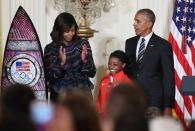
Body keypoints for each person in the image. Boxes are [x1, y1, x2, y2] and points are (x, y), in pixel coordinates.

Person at [125, 8, 175, 117]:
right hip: (133, 102)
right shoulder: (130, 43)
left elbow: (169, 78)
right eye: (135, 21)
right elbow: (127, 71)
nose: (134, 24)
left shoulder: (163, 46)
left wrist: (168, 107)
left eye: (138, 21)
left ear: (149, 24)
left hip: (154, 104)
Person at [44, 12, 96, 102]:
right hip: (61, 94)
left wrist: (85, 61)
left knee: (86, 115)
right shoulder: (51, 48)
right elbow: (50, 77)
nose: (70, 34)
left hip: (82, 93)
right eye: (66, 31)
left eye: (72, 30)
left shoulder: (83, 44)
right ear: (59, 30)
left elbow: (92, 72)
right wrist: (61, 63)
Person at [96, 50, 133, 114]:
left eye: (115, 64)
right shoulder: (104, 79)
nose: (111, 66)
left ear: (123, 65)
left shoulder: (126, 81)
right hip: (103, 117)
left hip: (118, 118)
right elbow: (99, 101)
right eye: (109, 64)